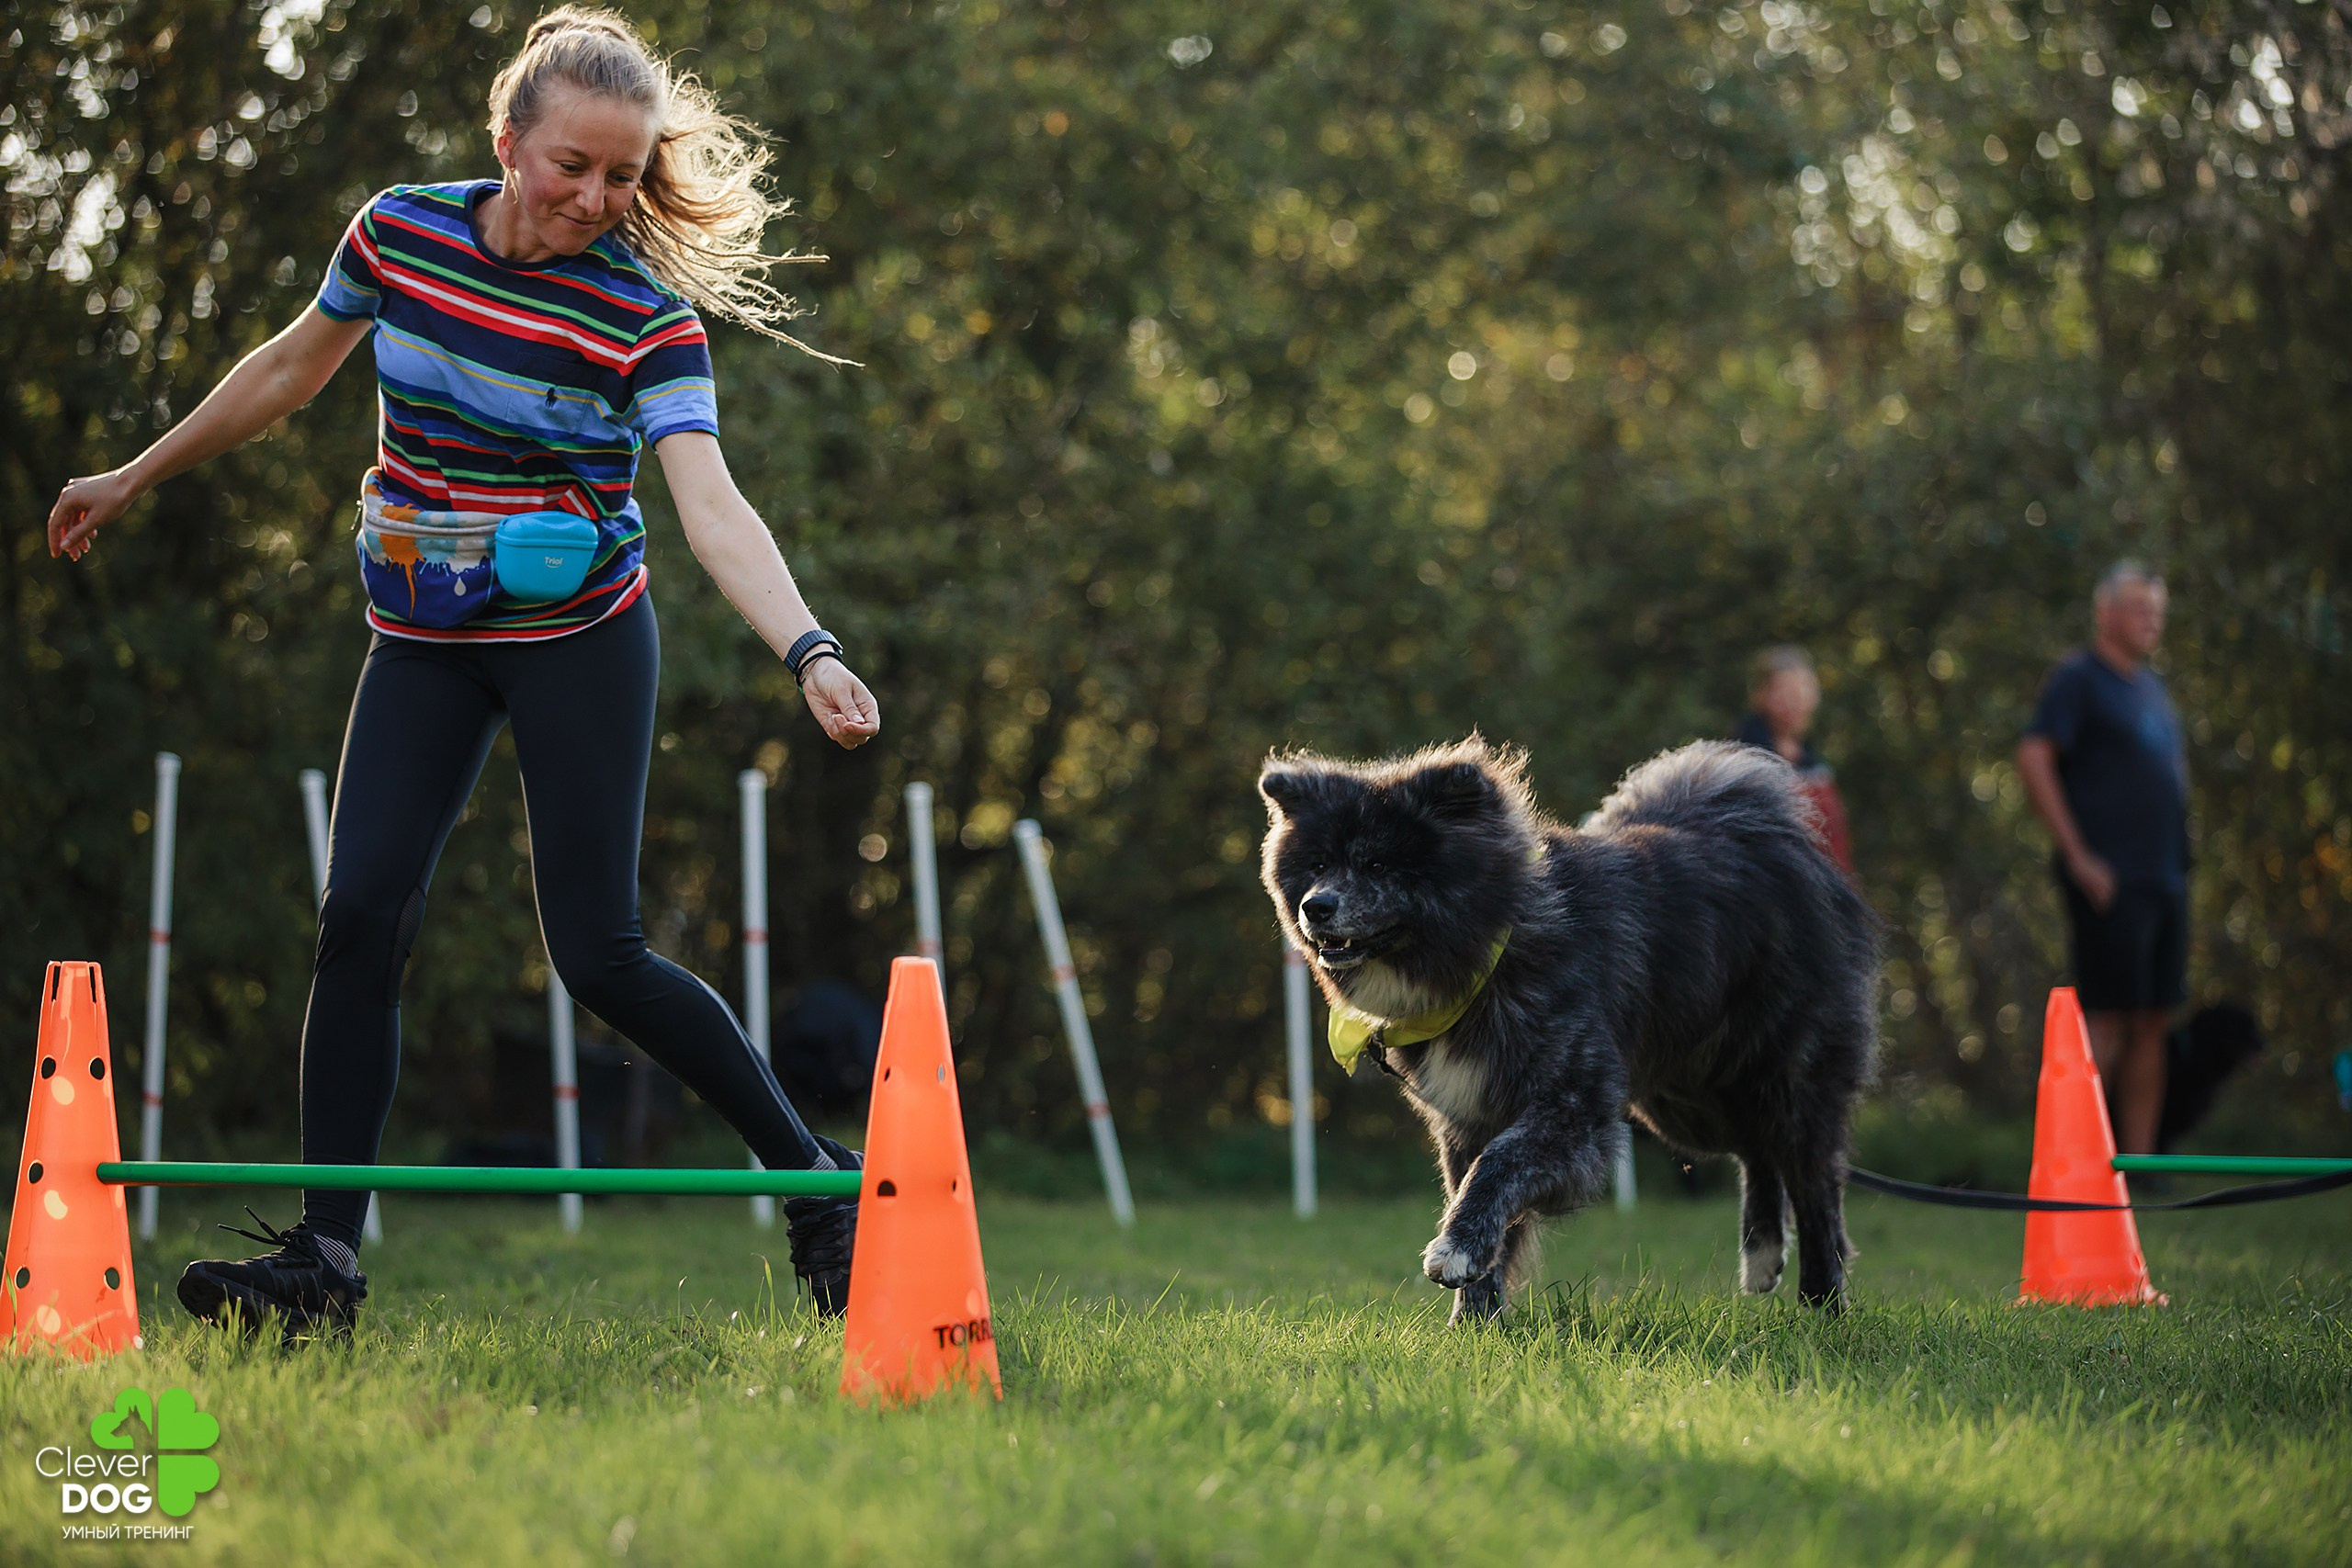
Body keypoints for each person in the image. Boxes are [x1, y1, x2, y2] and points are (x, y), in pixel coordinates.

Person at [44, 7, 877, 1338]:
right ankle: (323, 1259)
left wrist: (810, 645)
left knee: (597, 952)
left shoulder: (643, 319)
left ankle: (814, 1176)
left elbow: (710, 503)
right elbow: (287, 370)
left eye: (622, 176)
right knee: (360, 913)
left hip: (580, 639)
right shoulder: (401, 234)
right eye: (573, 168)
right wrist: (136, 472)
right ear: (509, 143)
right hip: (426, 632)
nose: (598, 199)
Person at [2017, 561, 2188, 1156]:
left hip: (2164, 877)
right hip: (2108, 879)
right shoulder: (2078, 679)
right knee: (2107, 1016)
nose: (2151, 620)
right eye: (2140, 608)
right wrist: (2081, 856)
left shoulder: (2152, 688)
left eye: (2158, 611)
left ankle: (2137, 1163)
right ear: (2105, 611)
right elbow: (2034, 757)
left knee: (2153, 1019)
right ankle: (2077, 1163)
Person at [1734, 645, 1855, 876]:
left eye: (1804, 689)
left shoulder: (1814, 765)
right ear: (1760, 695)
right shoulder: (1743, 765)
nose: (1797, 701)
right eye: (1786, 691)